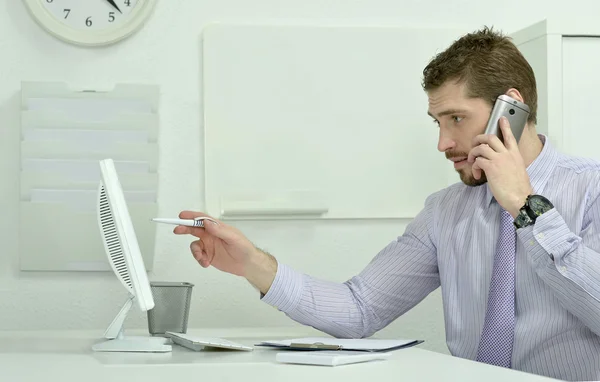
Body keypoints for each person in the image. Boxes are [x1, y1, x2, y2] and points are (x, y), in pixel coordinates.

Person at [174, 26, 600, 381]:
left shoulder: (591, 189)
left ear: (511, 109)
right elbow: (359, 309)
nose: (442, 143)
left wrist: (526, 206)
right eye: (437, 122)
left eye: (456, 118)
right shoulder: (443, 212)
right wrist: (252, 263)